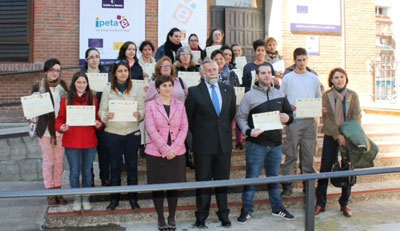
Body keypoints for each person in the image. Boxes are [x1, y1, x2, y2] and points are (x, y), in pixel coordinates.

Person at [236, 64, 295, 224]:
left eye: (269, 73)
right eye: (263, 73)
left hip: (276, 144)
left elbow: (290, 114)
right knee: (251, 177)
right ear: (257, 76)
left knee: (274, 177)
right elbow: (240, 117)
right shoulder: (249, 96)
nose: (266, 76)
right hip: (256, 144)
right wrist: (248, 131)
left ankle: (277, 208)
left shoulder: (280, 94)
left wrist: (288, 118)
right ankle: (247, 209)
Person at [185, 59, 236, 228]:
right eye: (209, 70)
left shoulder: (228, 90)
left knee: (223, 181)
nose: (213, 72)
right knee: (203, 181)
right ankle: (201, 217)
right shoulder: (194, 92)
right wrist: (201, 134)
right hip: (203, 145)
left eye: (215, 69)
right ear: (202, 73)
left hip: (224, 144)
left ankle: (224, 215)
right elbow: (190, 118)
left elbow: (229, 115)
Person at [98, 60, 146, 210]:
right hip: (112, 132)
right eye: (120, 71)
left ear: (129, 72)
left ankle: (133, 198)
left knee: (132, 165)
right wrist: (107, 116)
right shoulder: (107, 89)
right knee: (115, 166)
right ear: (114, 73)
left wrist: (139, 114)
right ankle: (114, 199)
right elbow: (101, 111)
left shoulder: (137, 89)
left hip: (131, 132)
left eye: (125, 70)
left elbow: (143, 109)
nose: (123, 73)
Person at [315, 68, 361, 217]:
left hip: (349, 136)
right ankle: (320, 203)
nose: (339, 80)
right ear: (331, 80)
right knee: (325, 168)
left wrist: (347, 135)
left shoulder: (353, 95)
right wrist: (337, 135)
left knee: (347, 169)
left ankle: (344, 203)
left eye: (342, 77)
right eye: (336, 77)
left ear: (346, 79)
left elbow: (356, 116)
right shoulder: (327, 96)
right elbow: (326, 119)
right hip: (331, 136)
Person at [145, 75, 189, 231]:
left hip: (177, 153)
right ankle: (161, 218)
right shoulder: (151, 105)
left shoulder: (180, 105)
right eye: (164, 85)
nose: (167, 88)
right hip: (156, 152)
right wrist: (165, 149)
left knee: (173, 187)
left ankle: (171, 217)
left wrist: (174, 149)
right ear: (157, 88)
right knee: (157, 187)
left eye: (170, 85)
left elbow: (184, 128)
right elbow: (150, 129)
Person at [55, 72, 103, 211]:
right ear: (73, 83)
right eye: (78, 82)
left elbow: (97, 118)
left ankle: (86, 197)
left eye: (84, 82)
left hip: (89, 141)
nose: (81, 85)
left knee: (87, 171)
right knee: (75, 172)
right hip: (72, 141)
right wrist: (61, 127)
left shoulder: (92, 98)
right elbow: (60, 119)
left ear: (87, 84)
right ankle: (77, 197)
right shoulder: (66, 99)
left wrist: (99, 124)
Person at [280, 48, 322, 197]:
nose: (302, 63)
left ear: (307, 60)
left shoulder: (313, 78)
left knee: (308, 154)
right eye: (299, 60)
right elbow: (282, 98)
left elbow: (318, 98)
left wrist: (317, 111)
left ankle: (308, 184)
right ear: (294, 60)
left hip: (310, 121)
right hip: (294, 120)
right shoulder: (288, 78)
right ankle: (288, 184)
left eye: (304, 60)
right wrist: (287, 108)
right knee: (291, 154)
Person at [32, 58, 68, 206]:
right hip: (45, 130)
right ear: (46, 71)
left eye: (58, 70)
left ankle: (58, 189)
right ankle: (49, 191)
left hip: (60, 130)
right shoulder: (38, 87)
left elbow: (68, 106)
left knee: (59, 162)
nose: (55, 73)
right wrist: (34, 99)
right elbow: (31, 110)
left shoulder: (63, 86)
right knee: (48, 162)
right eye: (52, 70)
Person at [81, 47, 110, 186]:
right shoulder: (81, 77)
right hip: (86, 119)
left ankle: (105, 178)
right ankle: (89, 179)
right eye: (91, 57)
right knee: (88, 152)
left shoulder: (107, 76)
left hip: (102, 119)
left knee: (104, 150)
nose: (94, 59)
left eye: (96, 56)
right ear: (86, 60)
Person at [138, 40, 156, 157]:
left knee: (151, 119)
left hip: (153, 94)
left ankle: (150, 143)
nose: (147, 51)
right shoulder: (137, 64)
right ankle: (141, 144)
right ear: (141, 51)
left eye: (149, 49)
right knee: (141, 119)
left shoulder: (156, 64)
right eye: (145, 49)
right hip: (140, 92)